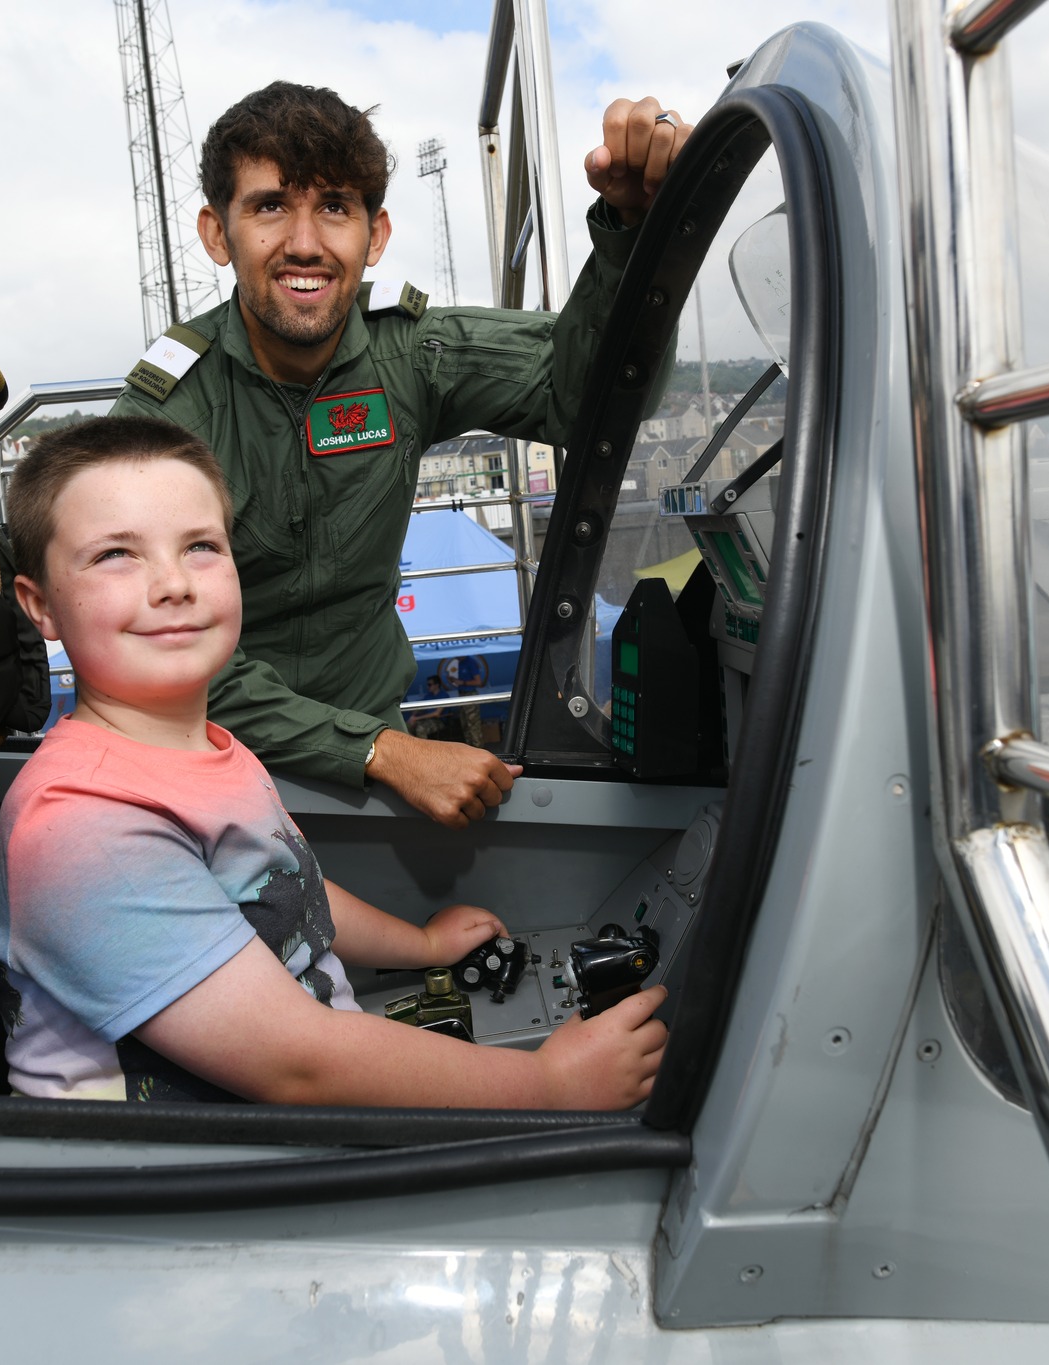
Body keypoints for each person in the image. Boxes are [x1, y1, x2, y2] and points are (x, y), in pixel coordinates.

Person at [0, 415, 667, 1106]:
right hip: (180, 1192)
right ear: (39, 605)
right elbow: (295, 1062)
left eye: (200, 545)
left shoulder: (212, 749)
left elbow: (286, 889)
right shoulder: (80, 824)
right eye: (115, 555)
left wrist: (421, 944)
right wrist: (548, 1084)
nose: (173, 584)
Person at [110, 82, 690, 829]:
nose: (306, 243)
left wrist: (634, 228)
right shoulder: (166, 411)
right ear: (217, 234)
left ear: (374, 234)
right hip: (201, 777)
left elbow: (588, 398)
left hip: (368, 781)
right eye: (269, 206)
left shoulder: (411, 351)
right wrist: (380, 751)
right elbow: (155, 655)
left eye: (335, 206)